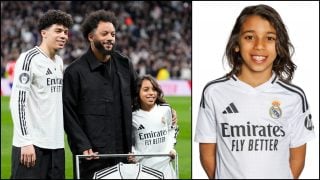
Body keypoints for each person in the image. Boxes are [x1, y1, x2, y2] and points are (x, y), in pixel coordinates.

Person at [194, 4, 315, 179]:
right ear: (236, 44)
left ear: (279, 46)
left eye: (270, 38)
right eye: (250, 37)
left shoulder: (295, 97)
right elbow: (207, 153)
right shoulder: (214, 92)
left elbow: (297, 158)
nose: (259, 46)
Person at [62, 10, 139, 179]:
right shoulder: (75, 72)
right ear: (91, 37)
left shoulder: (125, 64)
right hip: (92, 157)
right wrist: (82, 145)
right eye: (104, 34)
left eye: (113, 34)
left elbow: (139, 96)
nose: (110, 38)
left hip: (123, 156)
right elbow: (68, 113)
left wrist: (163, 107)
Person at [9, 10, 73, 179]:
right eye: (58, 31)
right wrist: (25, 141)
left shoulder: (59, 62)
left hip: (56, 146)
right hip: (32, 146)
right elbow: (18, 101)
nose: (64, 36)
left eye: (66, 32)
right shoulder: (29, 58)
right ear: (44, 33)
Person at [129, 75, 178, 179]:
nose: (151, 93)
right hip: (143, 169)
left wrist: (170, 148)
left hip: (165, 168)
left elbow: (172, 129)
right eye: (146, 90)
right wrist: (133, 153)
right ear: (138, 92)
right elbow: (127, 139)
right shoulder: (132, 115)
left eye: (154, 89)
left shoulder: (165, 109)